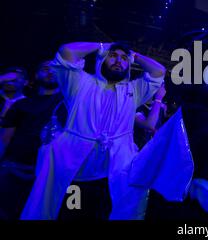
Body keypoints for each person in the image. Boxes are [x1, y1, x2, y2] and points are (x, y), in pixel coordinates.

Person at [21, 42, 165, 220]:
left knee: (102, 214)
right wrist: (101, 45)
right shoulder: (80, 83)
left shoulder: (133, 90)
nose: (118, 60)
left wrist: (134, 55)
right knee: (64, 214)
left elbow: (158, 71)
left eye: (123, 58)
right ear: (102, 58)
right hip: (72, 171)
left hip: (110, 173)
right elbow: (67, 52)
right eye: (113, 56)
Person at [0, 61, 65, 220]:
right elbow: (5, 138)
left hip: (48, 173)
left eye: (56, 68)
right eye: (45, 69)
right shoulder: (22, 103)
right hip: (14, 168)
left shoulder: (70, 105)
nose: (50, 71)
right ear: (36, 75)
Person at [134, 83, 167, 149]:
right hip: (140, 152)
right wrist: (158, 98)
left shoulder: (161, 106)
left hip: (154, 151)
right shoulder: (137, 107)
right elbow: (149, 125)